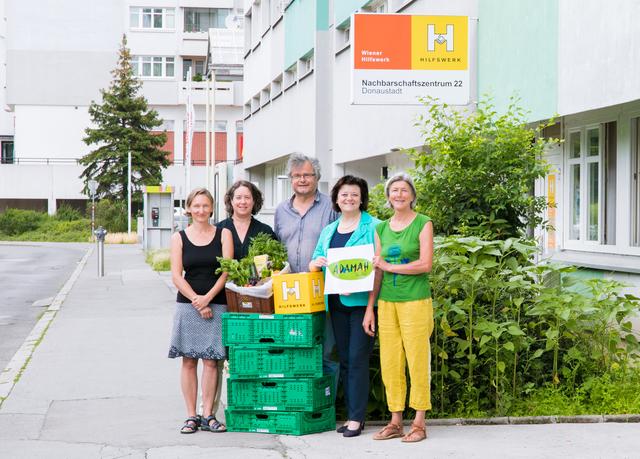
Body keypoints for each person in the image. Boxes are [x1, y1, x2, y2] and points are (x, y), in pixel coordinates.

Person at [363, 172, 434, 443]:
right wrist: (370, 307)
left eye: (404, 190)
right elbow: (377, 273)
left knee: (417, 360)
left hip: (415, 300)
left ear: (412, 196)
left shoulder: (423, 223)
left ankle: (418, 422)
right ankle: (395, 421)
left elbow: (425, 264)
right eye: (395, 190)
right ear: (388, 197)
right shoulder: (380, 229)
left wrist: (391, 266)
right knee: (390, 361)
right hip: (387, 302)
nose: (399, 195)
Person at [309, 175, 380, 438]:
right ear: (336, 199)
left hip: (362, 304)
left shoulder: (374, 227)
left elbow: (378, 268)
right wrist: (320, 262)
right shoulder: (330, 230)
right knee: (347, 360)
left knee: (359, 359)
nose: (348, 198)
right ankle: (351, 414)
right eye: (344, 194)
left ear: (362, 198)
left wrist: (371, 307)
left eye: (354, 194)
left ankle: (356, 419)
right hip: (336, 303)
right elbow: (313, 261)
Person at [168, 187, 233, 434]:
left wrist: (208, 299)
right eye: (196, 206)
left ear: (212, 208)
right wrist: (197, 300)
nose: (201, 210)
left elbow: (226, 271)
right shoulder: (179, 238)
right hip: (188, 304)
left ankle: (208, 415)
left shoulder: (223, 234)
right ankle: (190, 415)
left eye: (205, 206)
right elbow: (176, 275)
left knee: (211, 361)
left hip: (216, 301)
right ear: (189, 208)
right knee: (188, 360)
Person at [274, 153, 339, 380]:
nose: (302, 179)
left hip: (323, 290)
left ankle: (326, 405)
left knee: (328, 350)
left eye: (307, 175)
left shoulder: (331, 206)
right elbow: (277, 249)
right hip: (289, 293)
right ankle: (298, 402)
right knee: (294, 346)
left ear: (317, 177)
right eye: (297, 175)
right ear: (291, 179)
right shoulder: (281, 210)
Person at [216, 180, 277, 260]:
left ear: (254, 201)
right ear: (231, 201)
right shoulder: (218, 230)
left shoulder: (265, 231)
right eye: (238, 198)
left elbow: (274, 262)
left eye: (247, 197)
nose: (243, 202)